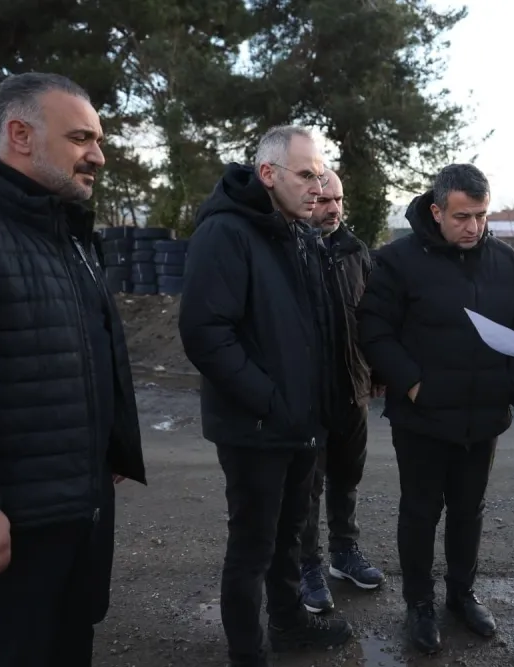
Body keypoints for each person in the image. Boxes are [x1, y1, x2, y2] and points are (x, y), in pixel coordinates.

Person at [0, 72, 146, 666]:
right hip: (9, 524)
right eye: (80, 138)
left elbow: (88, 349)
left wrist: (111, 445)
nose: (97, 156)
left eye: (98, 140)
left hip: (80, 508)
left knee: (71, 643)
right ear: (20, 135)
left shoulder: (70, 234)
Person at [179, 126, 352, 667]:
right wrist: (269, 401)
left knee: (290, 535)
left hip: (300, 421)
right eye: (306, 175)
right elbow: (206, 333)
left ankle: (289, 623)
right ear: (268, 174)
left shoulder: (297, 232)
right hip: (255, 426)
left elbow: (312, 327)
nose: (317, 186)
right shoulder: (225, 232)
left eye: (320, 174)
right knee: (252, 545)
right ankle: (246, 650)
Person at [357, 163, 514, 654]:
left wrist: (513, 387)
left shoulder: (503, 260)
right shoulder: (397, 261)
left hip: (484, 416)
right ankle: (419, 604)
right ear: (436, 212)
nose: (473, 227)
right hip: (423, 417)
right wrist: (414, 386)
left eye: (481, 216)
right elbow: (374, 329)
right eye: (462, 217)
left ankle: (462, 595)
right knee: (419, 512)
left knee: (468, 510)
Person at [298, 168, 384, 614]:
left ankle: (344, 553)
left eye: (339, 199)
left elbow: (371, 317)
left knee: (347, 477)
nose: (333, 208)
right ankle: (307, 565)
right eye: (324, 200)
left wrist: (377, 370)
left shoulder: (355, 251)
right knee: (307, 486)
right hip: (308, 396)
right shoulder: (291, 251)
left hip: (353, 388)